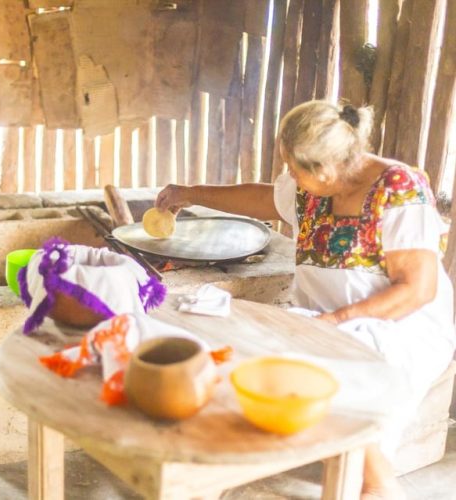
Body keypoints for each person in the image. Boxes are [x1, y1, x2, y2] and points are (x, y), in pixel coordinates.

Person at [155, 100, 456, 499]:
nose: (287, 175)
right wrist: (188, 193)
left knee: (334, 370)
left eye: (293, 167)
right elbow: (261, 199)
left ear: (327, 170)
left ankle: (377, 484)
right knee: (241, 346)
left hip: (399, 324)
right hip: (323, 317)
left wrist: (334, 322)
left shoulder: (399, 192)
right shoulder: (311, 187)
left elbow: (418, 291)